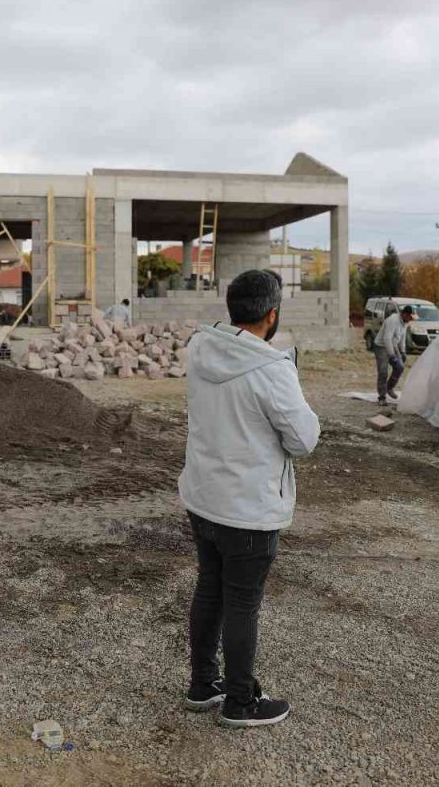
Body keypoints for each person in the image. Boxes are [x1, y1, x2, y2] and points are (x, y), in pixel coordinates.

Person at [177, 269, 320, 728]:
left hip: (203, 499)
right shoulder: (272, 370)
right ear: (272, 315)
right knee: (241, 603)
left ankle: (203, 685)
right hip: (248, 510)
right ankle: (240, 702)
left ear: (232, 308)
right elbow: (303, 439)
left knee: (210, 589)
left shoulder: (201, 348)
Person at [374, 304, 414, 406]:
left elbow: (402, 338)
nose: (410, 320)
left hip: (393, 345)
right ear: (404, 314)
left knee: (400, 367)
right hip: (381, 346)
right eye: (410, 317)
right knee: (383, 370)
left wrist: (403, 352)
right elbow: (387, 338)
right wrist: (392, 355)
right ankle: (382, 397)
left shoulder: (405, 323)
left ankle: (389, 387)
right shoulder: (393, 320)